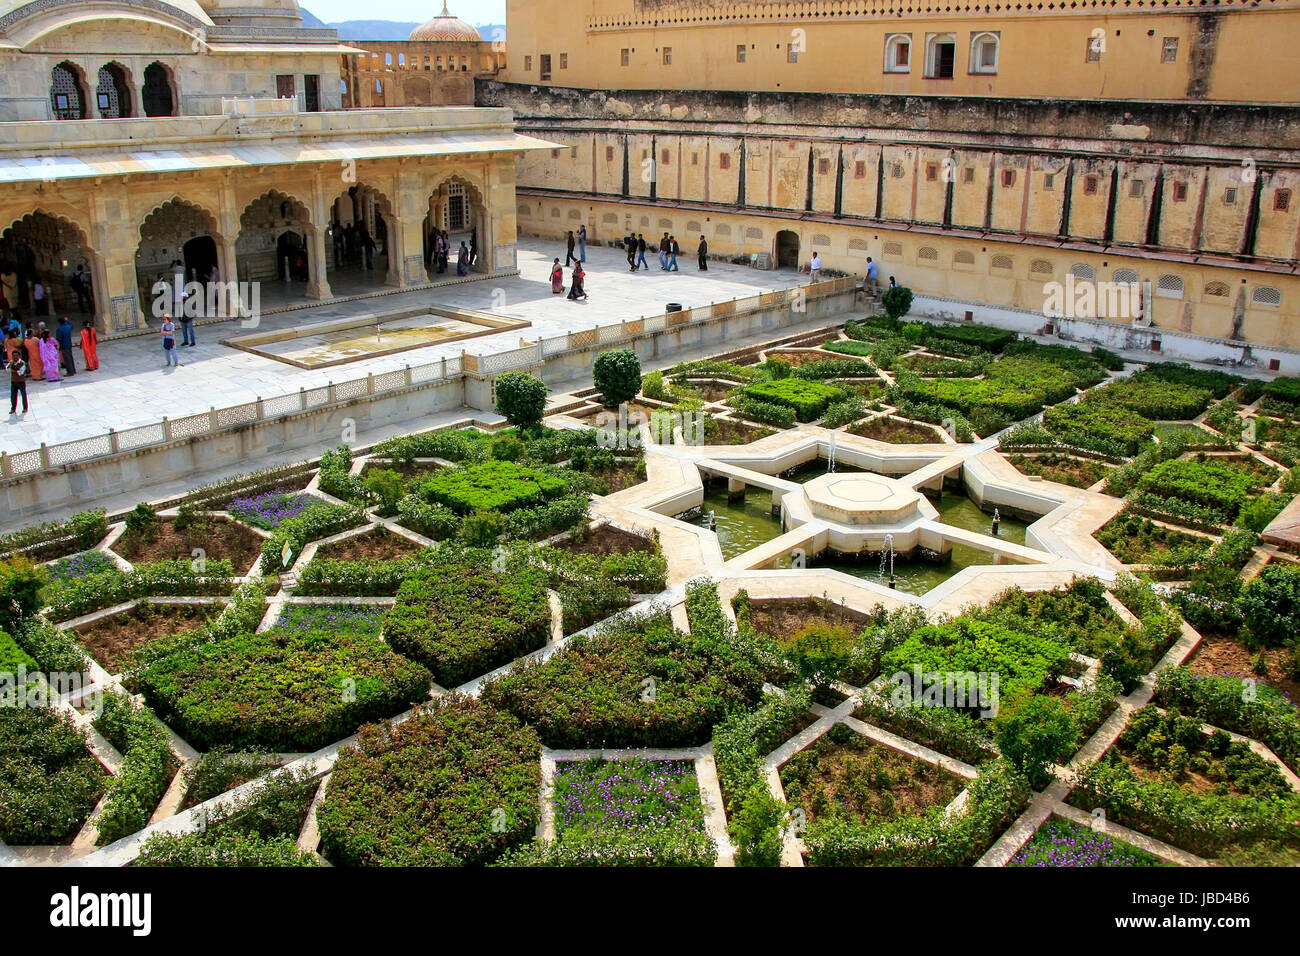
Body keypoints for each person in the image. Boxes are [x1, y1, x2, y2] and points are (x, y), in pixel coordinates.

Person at [9, 349, 27, 414]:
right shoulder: (11, 362)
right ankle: (13, 408)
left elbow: (21, 372)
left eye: (16, 356)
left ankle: (25, 408)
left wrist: (14, 371)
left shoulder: (22, 363)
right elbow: (7, 369)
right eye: (14, 356)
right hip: (13, 381)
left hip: (21, 381)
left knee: (23, 395)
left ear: (19, 356)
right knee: (13, 396)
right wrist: (11, 366)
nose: (15, 357)